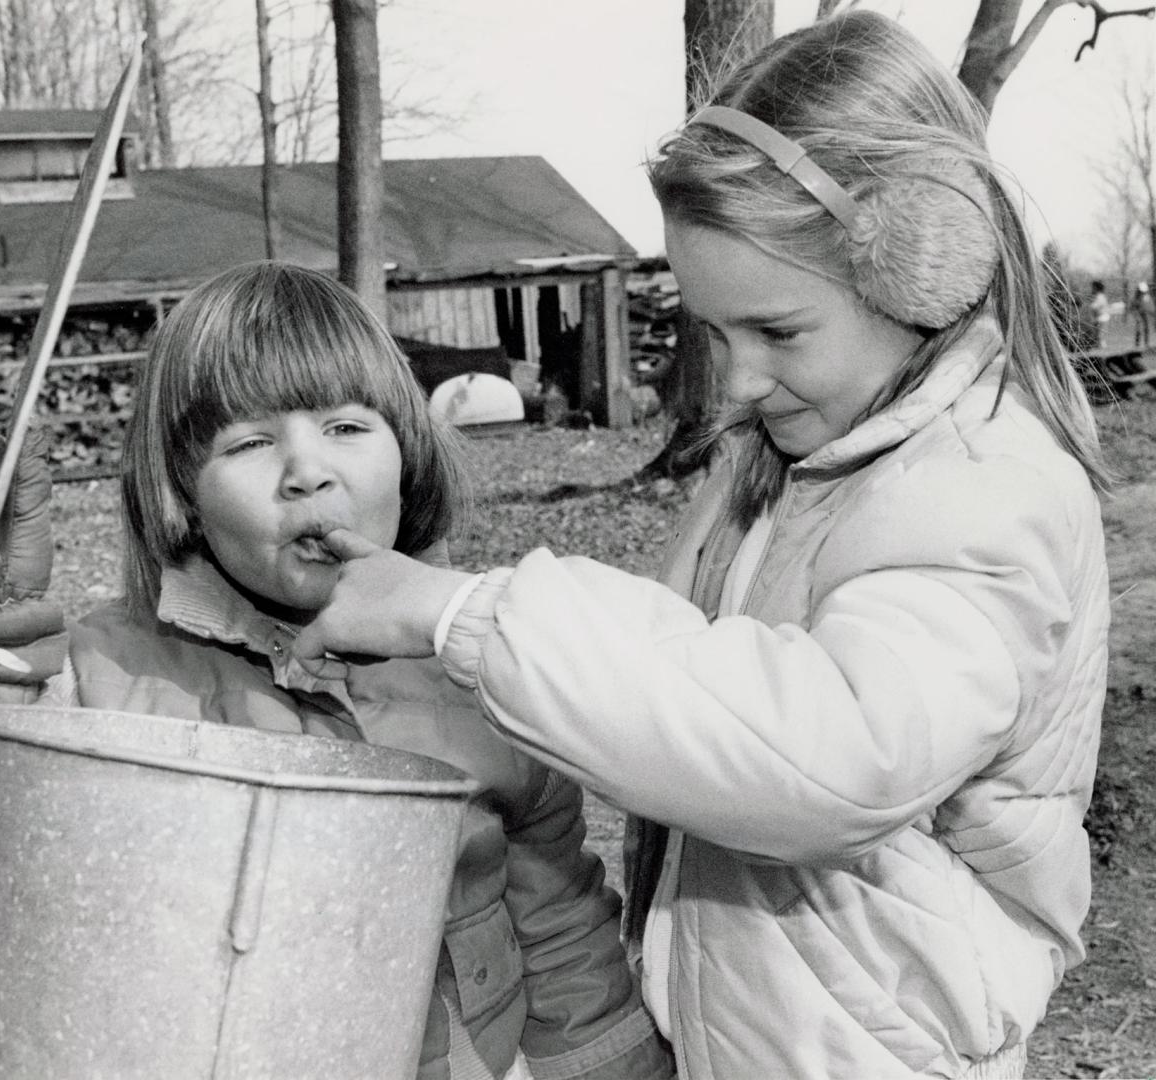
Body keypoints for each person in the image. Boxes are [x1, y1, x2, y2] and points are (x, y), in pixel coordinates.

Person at [293, 12, 1111, 1080]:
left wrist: (458, 615)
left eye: (776, 332)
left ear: (925, 270)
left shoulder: (981, 488)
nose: (734, 381)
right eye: (713, 333)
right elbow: (682, 692)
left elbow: (832, 758)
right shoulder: (784, 458)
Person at [42, 262, 673, 1080]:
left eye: (345, 427)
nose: (308, 470)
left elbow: (559, 927)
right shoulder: (103, 680)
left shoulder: (480, 660)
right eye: (251, 442)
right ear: (182, 493)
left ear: (406, 453)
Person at [1087, 279, 1111, 349]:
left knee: (1100, 334)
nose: (1092, 289)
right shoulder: (1098, 296)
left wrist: (1092, 305)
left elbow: (1096, 306)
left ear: (1097, 288)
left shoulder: (1100, 296)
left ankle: (1101, 346)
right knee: (1097, 333)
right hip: (1099, 317)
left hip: (1102, 317)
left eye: (1093, 287)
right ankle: (1099, 345)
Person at [1133, 281, 1153, 348]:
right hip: (1139, 314)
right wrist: (1136, 315)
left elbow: (1151, 307)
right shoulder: (1136, 298)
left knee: (1146, 328)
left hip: (1146, 315)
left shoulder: (1147, 297)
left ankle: (1146, 343)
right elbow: (1133, 308)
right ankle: (1137, 344)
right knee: (1139, 329)